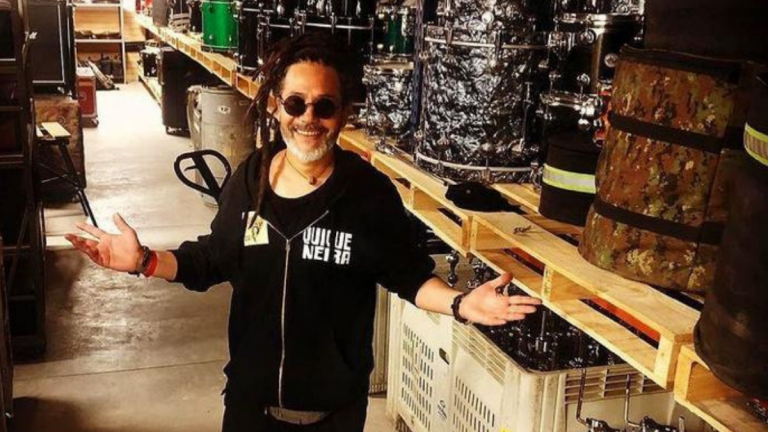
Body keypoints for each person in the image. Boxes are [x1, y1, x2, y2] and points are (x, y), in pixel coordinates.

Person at [65, 33, 541, 432]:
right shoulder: (251, 179)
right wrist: (144, 261)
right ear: (276, 107)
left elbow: (406, 274)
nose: (308, 118)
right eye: (295, 103)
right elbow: (212, 258)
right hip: (249, 407)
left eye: (324, 106)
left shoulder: (368, 194)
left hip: (334, 415)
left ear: (343, 113)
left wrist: (461, 304)